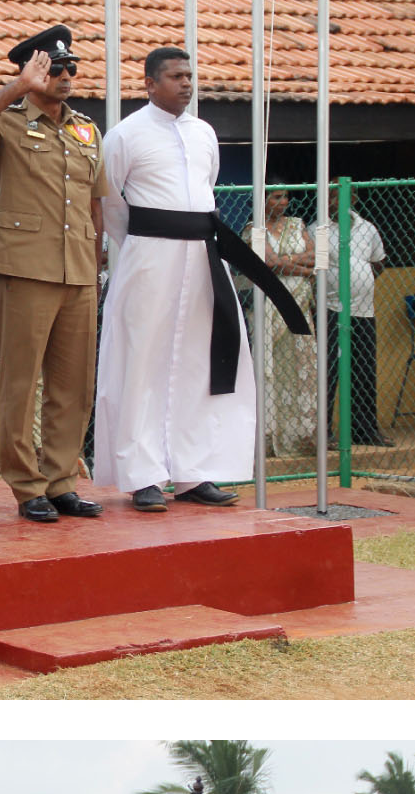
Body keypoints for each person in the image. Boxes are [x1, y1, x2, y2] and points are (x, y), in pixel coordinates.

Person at [95, 48, 310, 513]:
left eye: (191, 76)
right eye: (176, 76)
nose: (187, 84)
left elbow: (204, 191)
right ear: (150, 83)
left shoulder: (204, 134)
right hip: (148, 257)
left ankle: (193, 472)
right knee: (142, 362)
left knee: (198, 360)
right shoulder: (124, 135)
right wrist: (141, 249)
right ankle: (144, 475)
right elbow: (112, 206)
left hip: (203, 259)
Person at [0, 28, 107, 527]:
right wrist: (17, 87)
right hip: (25, 268)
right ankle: (26, 485)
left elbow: (94, 203)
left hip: (79, 269)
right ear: (31, 72)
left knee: (73, 383)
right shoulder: (11, 123)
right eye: (53, 69)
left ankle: (61, 481)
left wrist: (98, 259)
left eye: (70, 68)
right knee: (22, 382)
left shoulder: (87, 130)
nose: (64, 77)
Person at [313, 184, 387, 448]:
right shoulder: (319, 230)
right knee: (329, 370)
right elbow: (314, 268)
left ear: (352, 197)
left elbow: (378, 262)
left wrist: (360, 281)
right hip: (331, 310)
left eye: (341, 195)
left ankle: (365, 430)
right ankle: (324, 431)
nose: (335, 201)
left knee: (364, 370)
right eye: (331, 195)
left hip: (365, 311)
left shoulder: (367, 228)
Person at [250, 186, 321, 458]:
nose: (283, 202)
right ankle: (270, 435)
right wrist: (301, 267)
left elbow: (315, 257)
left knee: (300, 365)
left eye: (286, 197)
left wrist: (288, 263)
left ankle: (300, 435)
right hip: (272, 303)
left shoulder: (297, 224)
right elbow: (267, 263)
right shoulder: (254, 228)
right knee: (274, 366)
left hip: (301, 302)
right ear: (263, 199)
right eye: (276, 197)